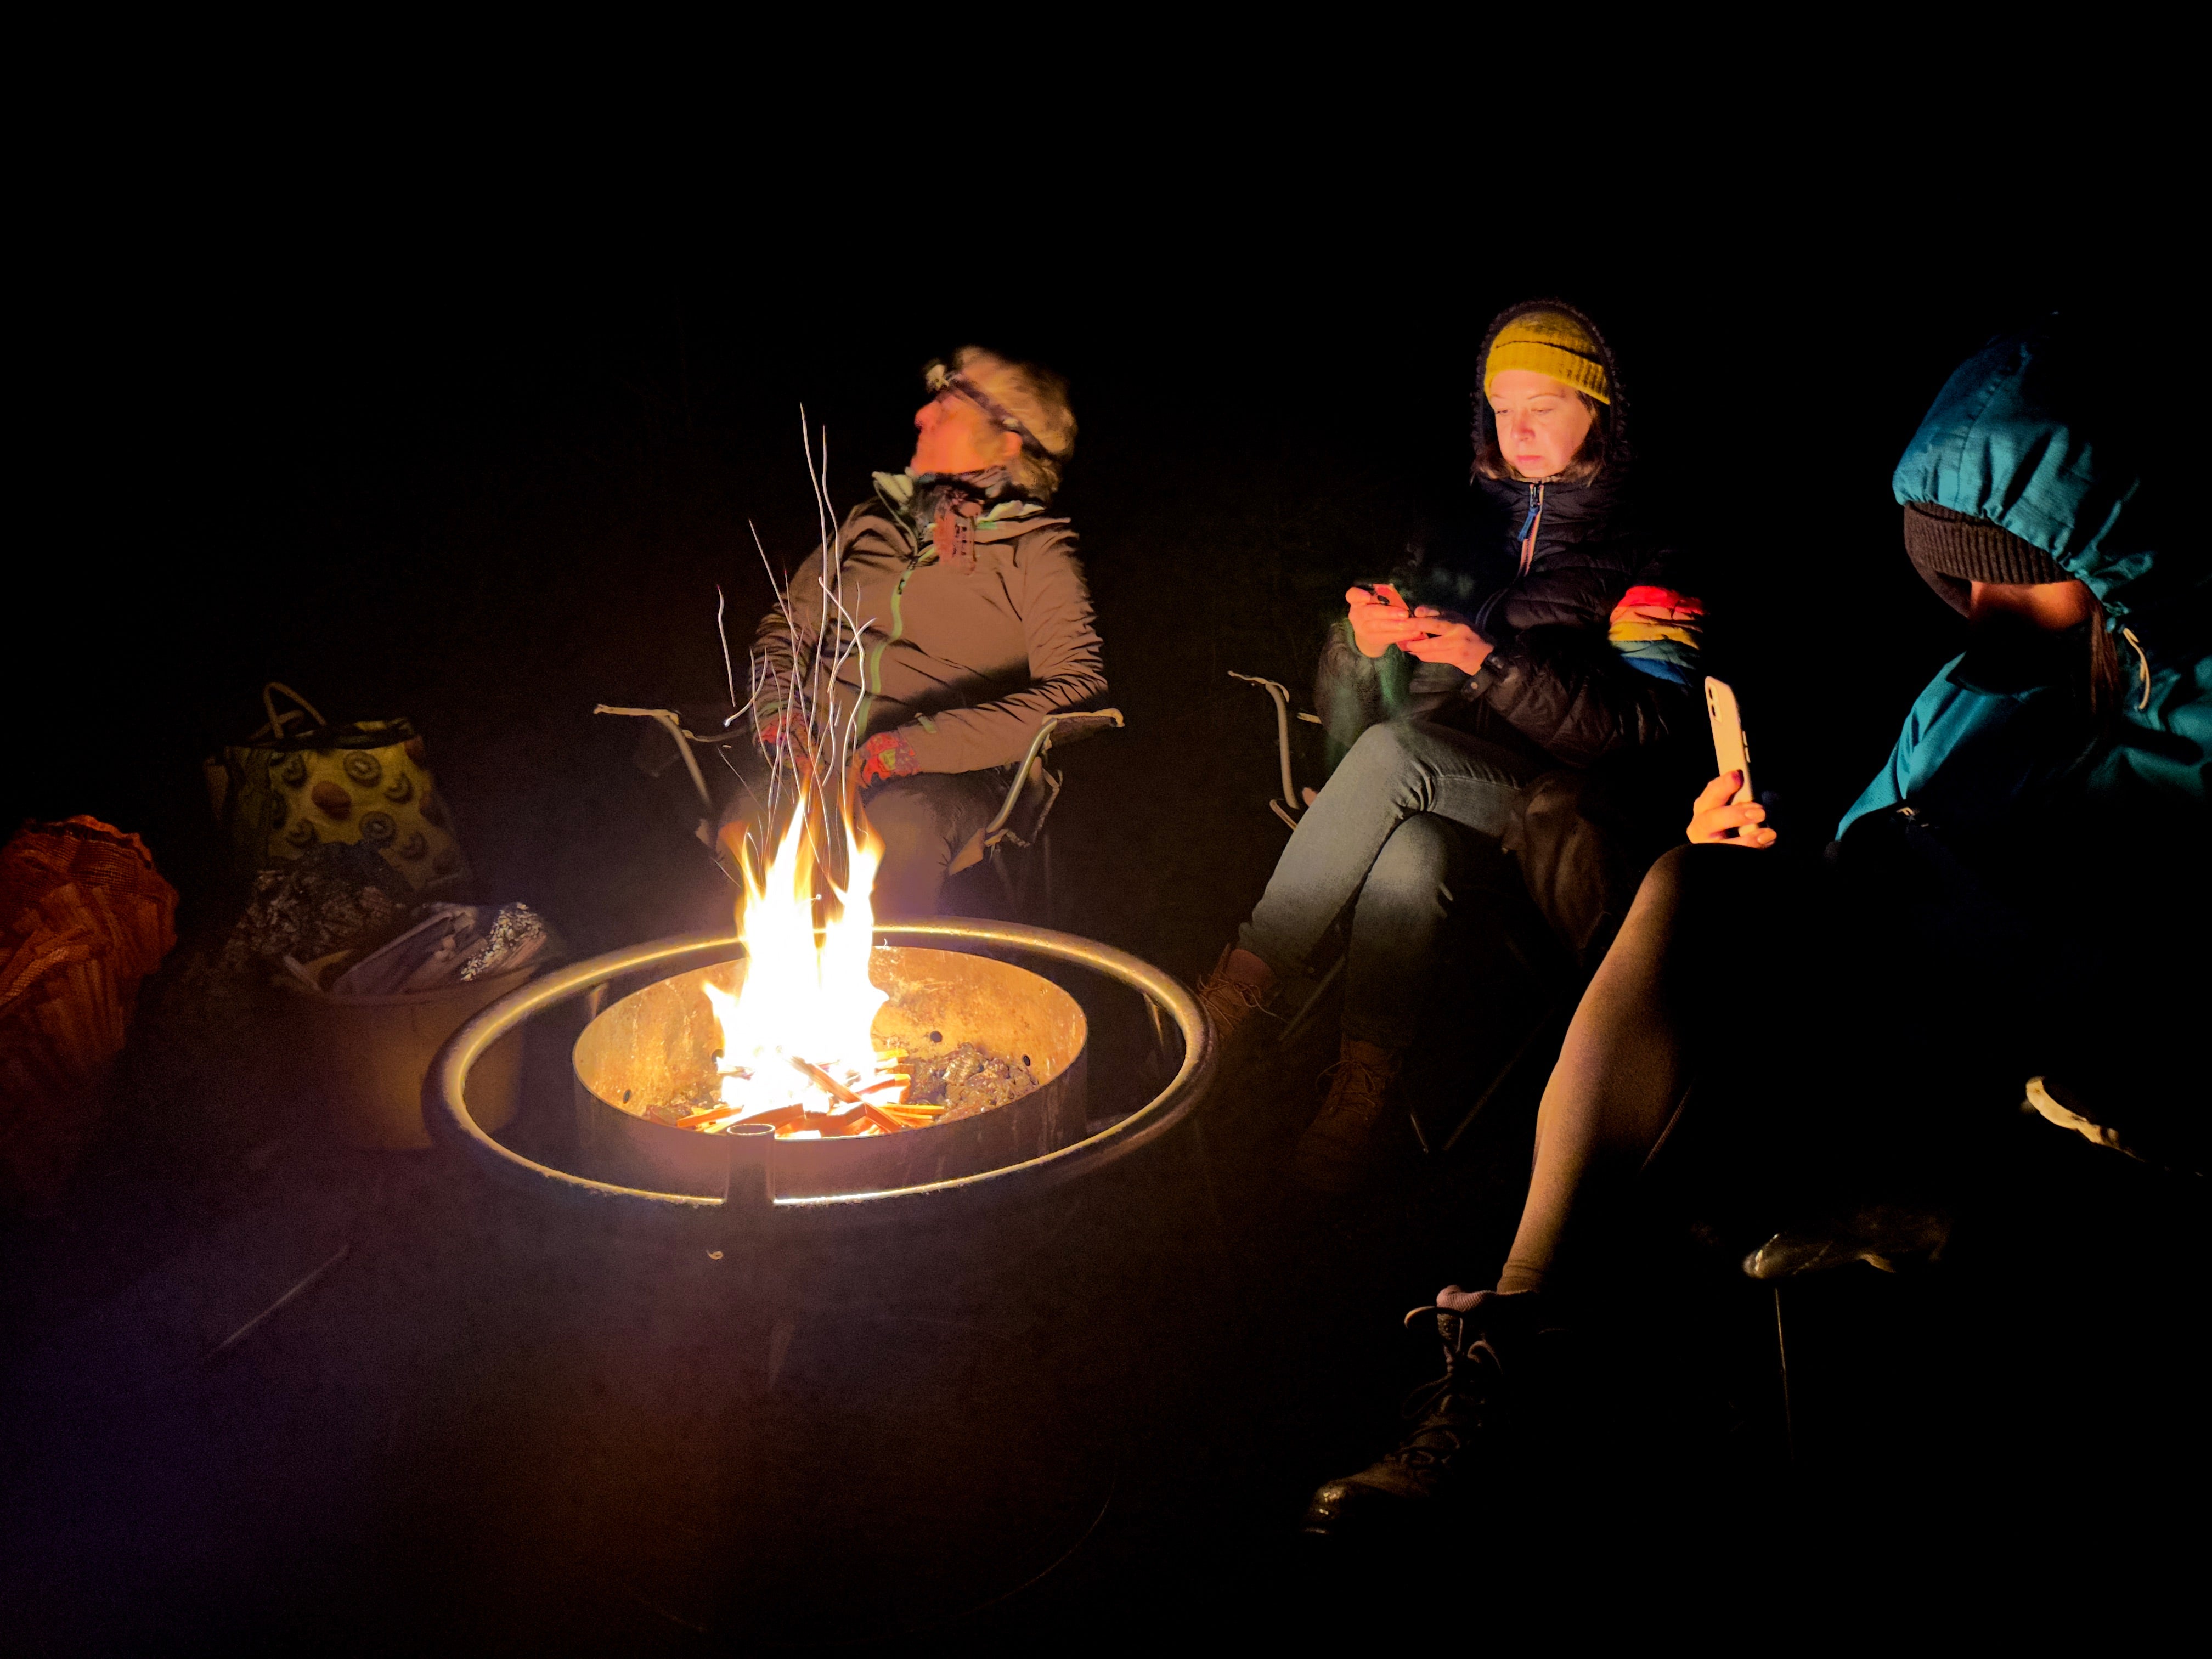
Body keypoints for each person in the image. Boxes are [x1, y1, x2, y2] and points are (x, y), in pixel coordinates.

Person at [1300, 315, 2207, 1536]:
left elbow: (2127, 967)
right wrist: (1771, 834)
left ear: (2116, 564)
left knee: (1509, 840)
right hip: (1867, 1013)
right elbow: (1883, 847)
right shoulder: (1979, 684)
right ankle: (1517, 1339)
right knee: (1689, 871)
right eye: (1960, 577)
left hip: (2012, 1085)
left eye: (2013, 573)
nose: (1980, 607)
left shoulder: (2192, 734)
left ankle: (1587, 1368)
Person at [1194, 301, 1708, 1190]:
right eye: (1501, 408)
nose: (1518, 428)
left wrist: (1490, 660)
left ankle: (1230, 994)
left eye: (1541, 405)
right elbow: (1363, 708)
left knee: (1397, 759)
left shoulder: (1652, 551)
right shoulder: (1454, 533)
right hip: (1439, 801)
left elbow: (1646, 730)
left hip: (1565, 815)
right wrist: (1358, 645)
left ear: (1598, 410)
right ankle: (1364, 1084)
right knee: (1406, 849)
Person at [721, 347, 1104, 919]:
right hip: (817, 751)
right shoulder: (868, 521)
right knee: (752, 822)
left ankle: (895, 992)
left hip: (945, 773)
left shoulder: (1036, 550)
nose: (922, 417)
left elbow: (1079, 688)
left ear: (1006, 444)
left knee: (901, 827)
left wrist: (908, 749)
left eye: (947, 410)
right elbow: (785, 625)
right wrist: (780, 714)